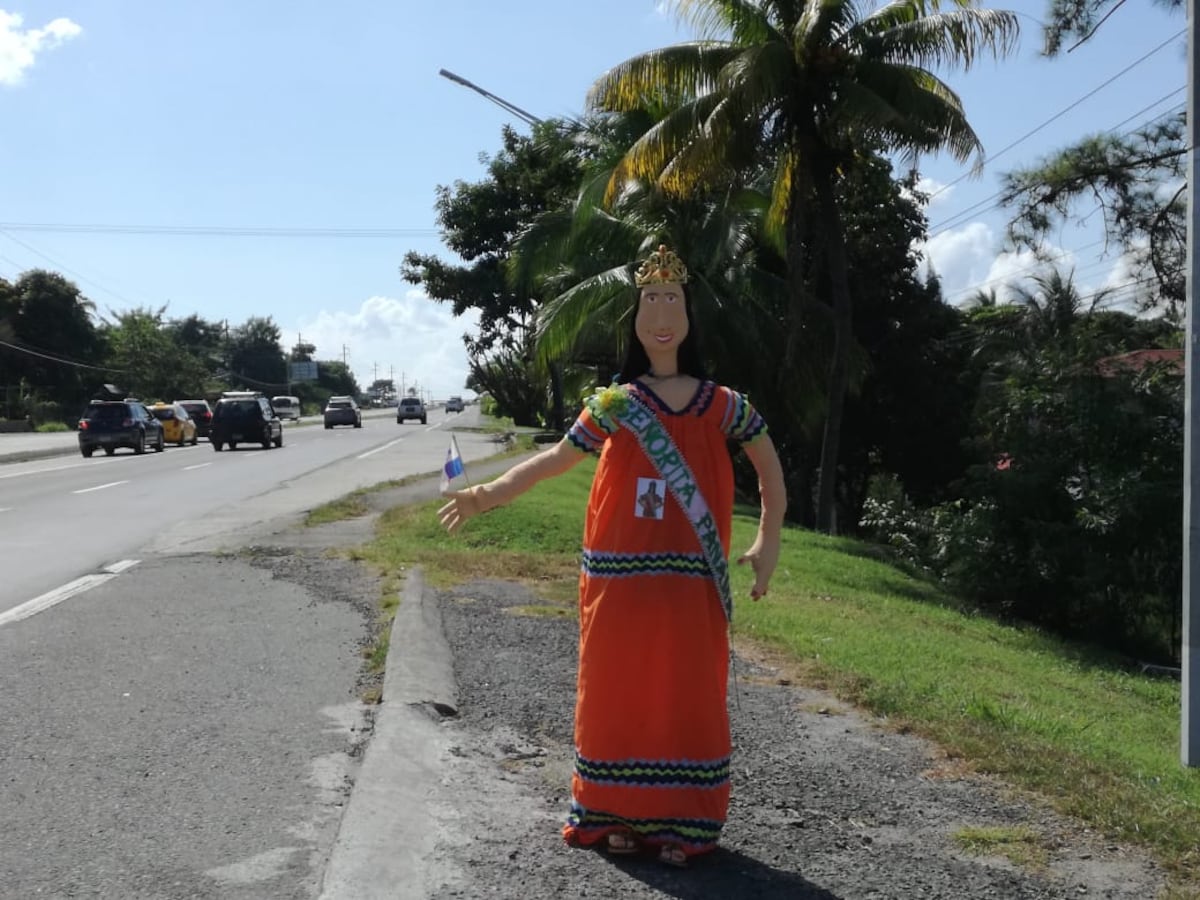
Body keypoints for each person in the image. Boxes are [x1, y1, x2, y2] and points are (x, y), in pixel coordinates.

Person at [438, 245, 786, 868]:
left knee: (688, 691)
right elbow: (553, 461)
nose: (660, 312)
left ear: (689, 317)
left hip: (690, 580)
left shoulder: (722, 404)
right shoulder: (615, 404)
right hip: (619, 578)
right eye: (649, 300)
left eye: (672, 300)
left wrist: (770, 537)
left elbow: (768, 464)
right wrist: (486, 494)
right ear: (634, 318)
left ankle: (687, 823)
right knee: (616, 688)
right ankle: (615, 814)